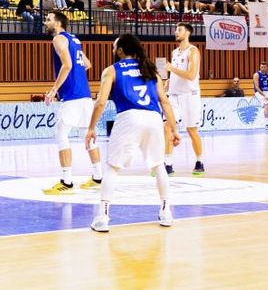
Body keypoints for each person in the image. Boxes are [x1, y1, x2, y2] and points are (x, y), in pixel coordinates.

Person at [85, 34, 180, 233]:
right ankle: (166, 212)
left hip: (129, 117)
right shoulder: (150, 69)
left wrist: (91, 128)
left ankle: (102, 217)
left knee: (112, 167)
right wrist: (174, 128)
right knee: (158, 165)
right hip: (154, 118)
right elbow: (165, 101)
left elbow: (101, 102)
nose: (112, 50)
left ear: (120, 50)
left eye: (114, 47)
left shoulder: (111, 70)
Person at [42, 12, 104, 193]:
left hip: (72, 96)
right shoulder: (74, 40)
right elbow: (87, 64)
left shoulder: (59, 39)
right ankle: (98, 176)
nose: (46, 22)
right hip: (84, 94)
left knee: (61, 134)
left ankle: (67, 181)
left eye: (48, 19)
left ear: (58, 23)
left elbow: (68, 65)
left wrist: (54, 90)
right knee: (87, 135)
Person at [162, 23, 205, 176]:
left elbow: (191, 75)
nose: (176, 32)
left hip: (189, 96)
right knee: (167, 127)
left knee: (191, 130)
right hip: (174, 96)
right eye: (176, 29)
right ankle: (167, 164)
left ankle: (200, 161)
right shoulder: (175, 52)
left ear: (187, 33)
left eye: (179, 30)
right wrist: (169, 80)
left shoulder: (193, 51)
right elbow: (176, 72)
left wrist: (171, 69)